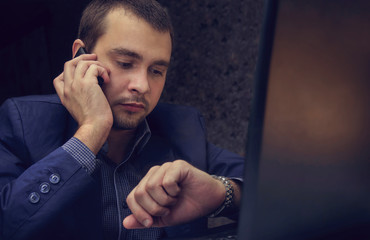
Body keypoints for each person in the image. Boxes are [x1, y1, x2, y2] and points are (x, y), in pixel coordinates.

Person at [0, 0, 244, 239]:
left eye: (156, 71)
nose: (142, 85)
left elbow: (270, 187)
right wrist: (91, 131)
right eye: (125, 63)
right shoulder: (22, 122)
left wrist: (224, 193)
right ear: (80, 56)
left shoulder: (183, 128)